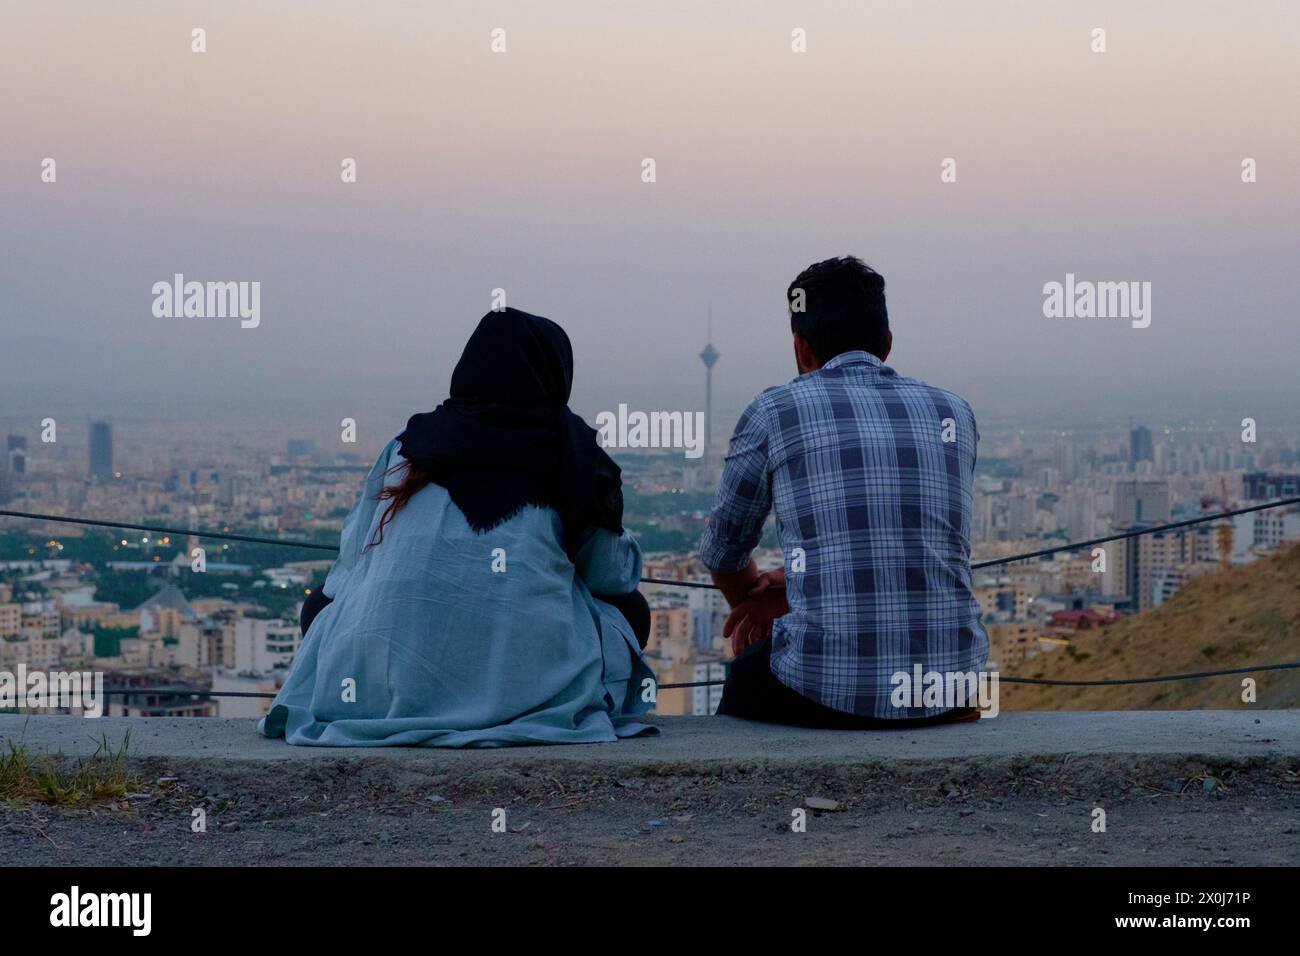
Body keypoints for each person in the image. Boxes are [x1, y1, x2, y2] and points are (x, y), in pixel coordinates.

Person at [261, 308, 656, 747]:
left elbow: (349, 568)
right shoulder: (571, 456)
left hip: (379, 686)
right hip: (526, 682)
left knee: (318, 605)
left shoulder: (407, 446)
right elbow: (611, 576)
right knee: (633, 609)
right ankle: (519, 701)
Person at [699, 256, 989, 728]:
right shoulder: (953, 412)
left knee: (743, 682)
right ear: (887, 344)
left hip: (822, 692)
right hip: (952, 687)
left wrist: (754, 608)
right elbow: (902, 534)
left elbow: (724, 550)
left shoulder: (775, 410)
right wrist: (797, 586)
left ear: (801, 347)